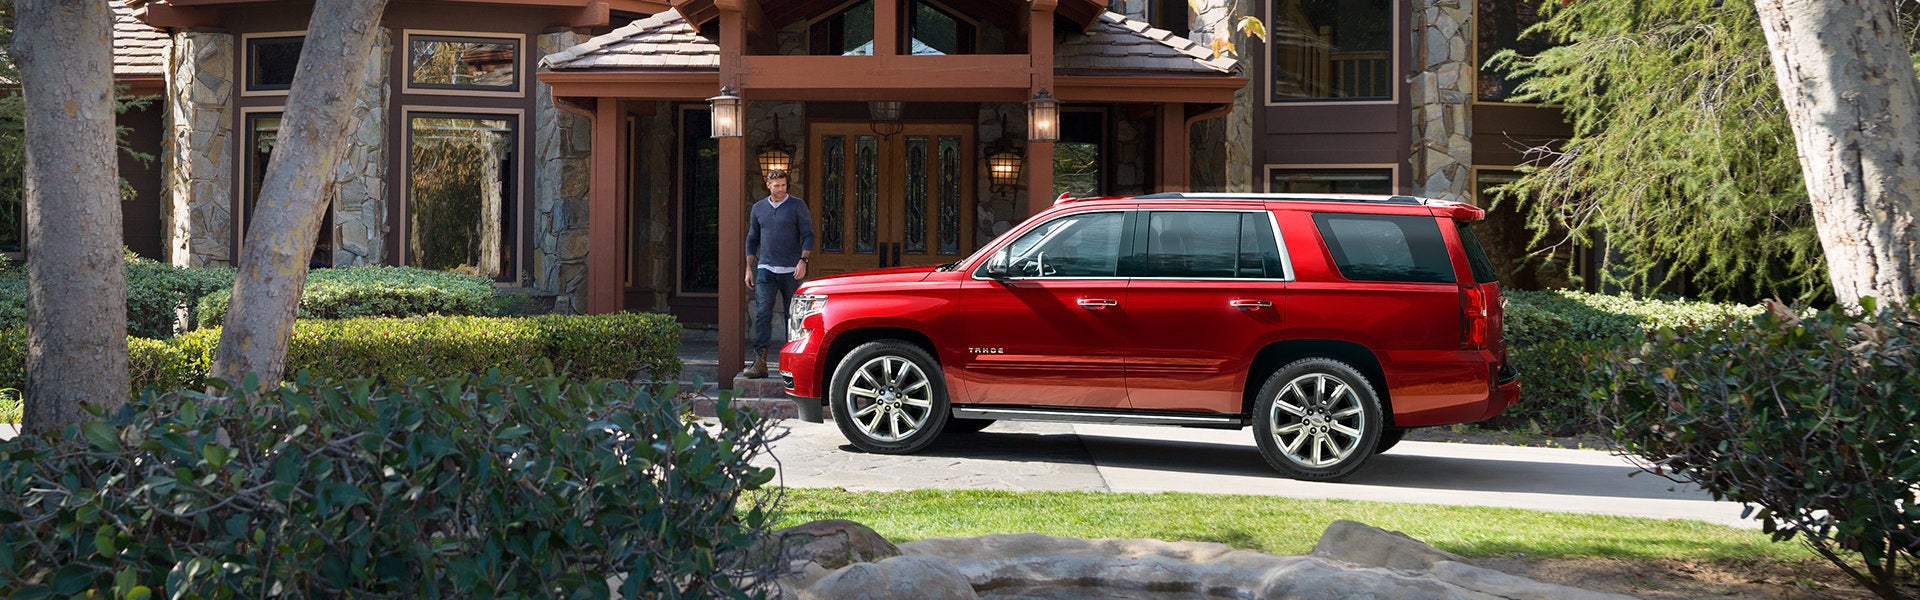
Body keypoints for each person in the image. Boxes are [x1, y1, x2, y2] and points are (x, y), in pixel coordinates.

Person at [744, 169, 813, 378]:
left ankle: (793, 364)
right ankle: (759, 363)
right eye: (777, 186)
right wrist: (749, 268)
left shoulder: (797, 206)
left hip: (792, 270)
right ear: (768, 185)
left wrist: (803, 260)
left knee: (793, 317)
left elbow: (808, 235)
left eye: (783, 185)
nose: (781, 189)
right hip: (765, 268)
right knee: (763, 314)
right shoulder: (758, 208)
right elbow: (752, 239)